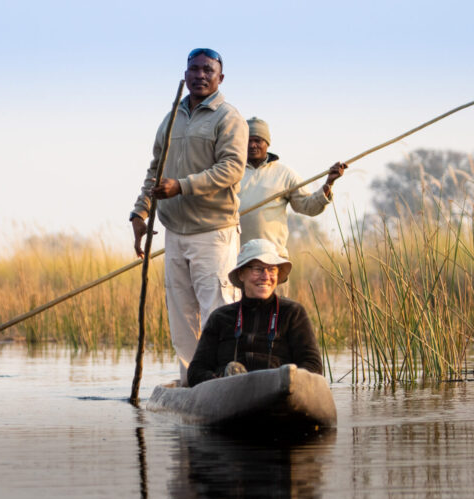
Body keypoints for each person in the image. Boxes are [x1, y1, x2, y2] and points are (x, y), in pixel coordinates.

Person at [130, 48, 248, 385]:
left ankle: (224, 382)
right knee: (182, 316)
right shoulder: (171, 119)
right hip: (174, 232)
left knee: (218, 310)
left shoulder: (228, 117)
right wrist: (140, 212)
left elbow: (230, 169)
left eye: (208, 70)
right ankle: (192, 382)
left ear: (220, 78)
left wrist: (181, 186)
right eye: (193, 69)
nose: (200, 75)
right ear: (184, 76)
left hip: (214, 230)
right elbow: (156, 170)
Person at [187, 239, 323, 387]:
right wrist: (220, 380)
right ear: (241, 274)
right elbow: (196, 371)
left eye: (272, 269)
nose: (265, 277)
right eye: (258, 269)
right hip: (230, 393)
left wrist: (286, 381)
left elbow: (313, 365)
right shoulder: (220, 318)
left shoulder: (292, 313)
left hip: (278, 392)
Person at [239, 117, 346, 254]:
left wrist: (329, 183)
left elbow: (308, 207)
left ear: (267, 143)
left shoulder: (284, 174)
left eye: (257, 140)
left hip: (273, 256)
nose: (252, 145)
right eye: (248, 140)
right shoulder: (230, 171)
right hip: (237, 257)